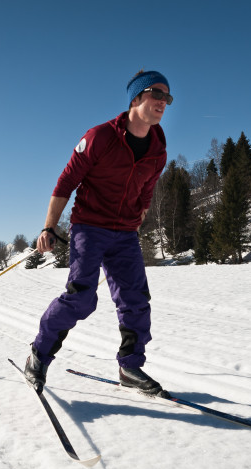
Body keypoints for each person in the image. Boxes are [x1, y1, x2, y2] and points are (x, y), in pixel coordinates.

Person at [25, 70, 173, 398]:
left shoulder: (158, 149)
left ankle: (130, 367)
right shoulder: (100, 137)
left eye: (168, 97)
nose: (164, 102)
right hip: (89, 227)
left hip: (124, 234)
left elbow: (146, 190)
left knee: (136, 301)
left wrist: (138, 218)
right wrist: (49, 226)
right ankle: (38, 354)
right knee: (81, 298)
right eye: (156, 94)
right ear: (136, 98)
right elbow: (66, 183)